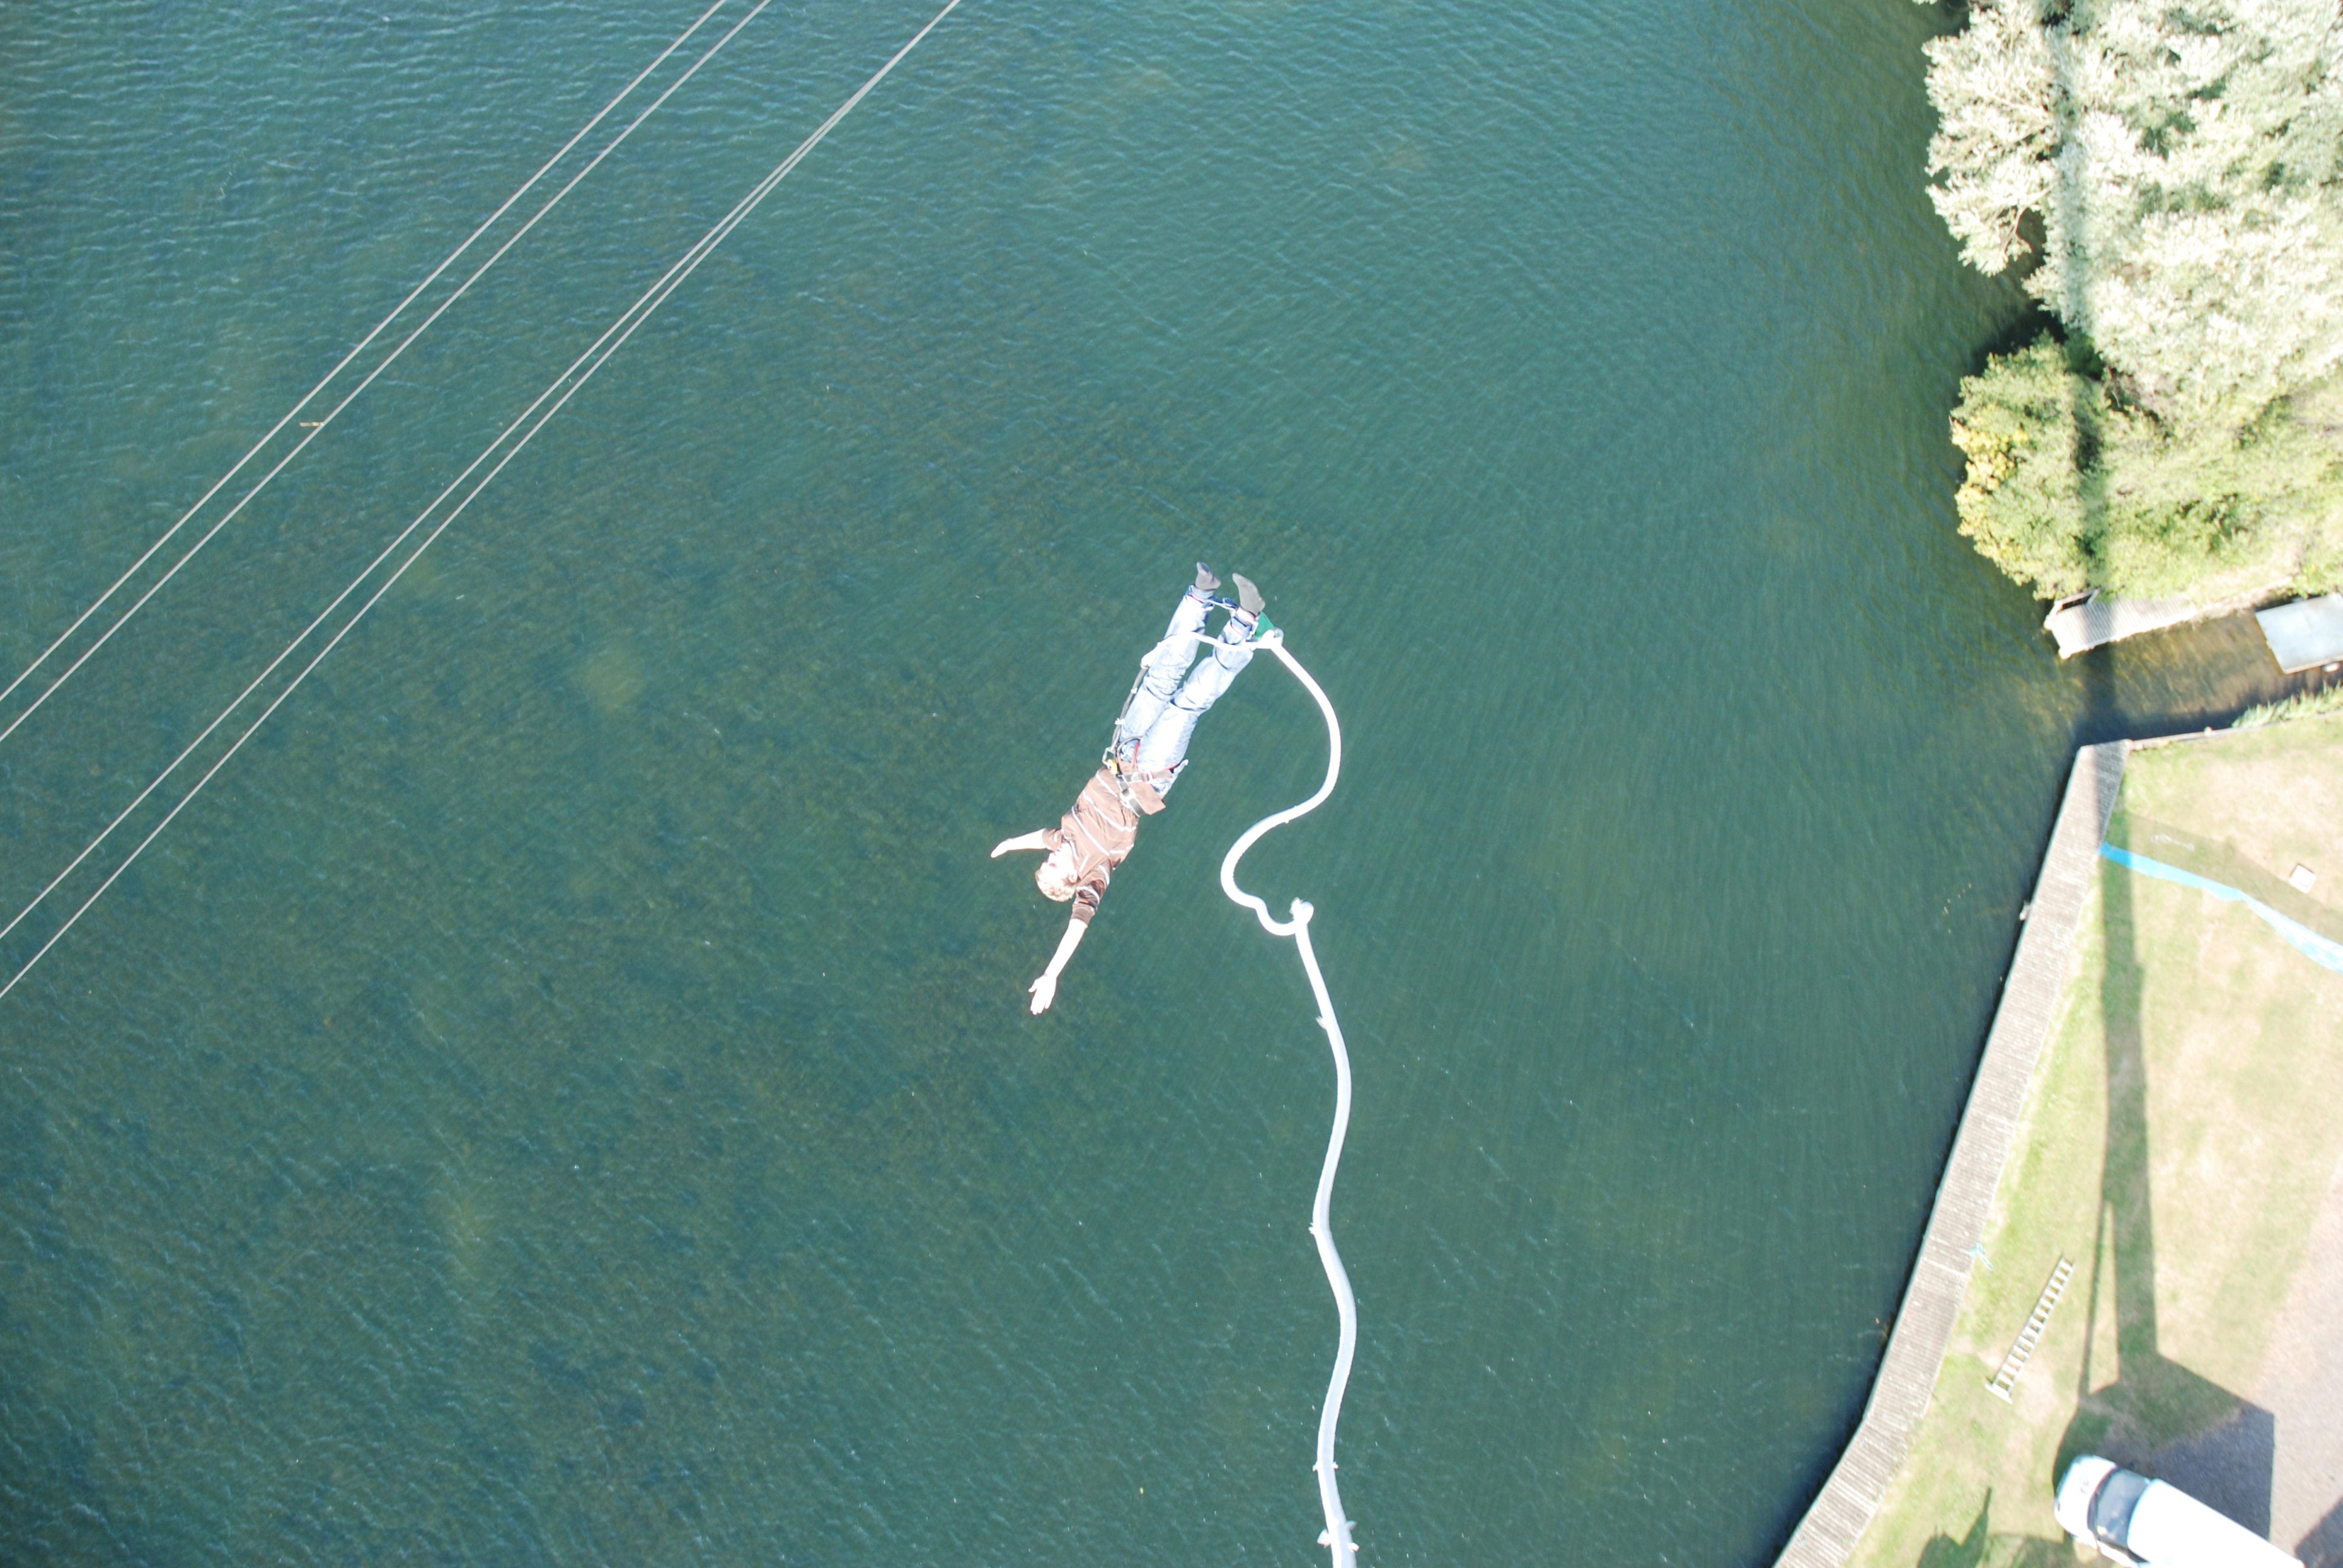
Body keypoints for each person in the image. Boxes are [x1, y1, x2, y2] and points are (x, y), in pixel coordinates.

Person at [992, 564, 1270, 1013]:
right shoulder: (1095, 875)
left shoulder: (1062, 840)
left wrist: (1009, 845)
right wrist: (1051, 973)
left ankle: (1199, 597)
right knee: (1189, 702)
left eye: (1046, 861)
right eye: (1053, 866)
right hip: (1148, 776)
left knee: (1161, 674)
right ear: (1072, 880)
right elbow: (1077, 927)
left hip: (1123, 751)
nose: (1052, 855)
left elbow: (1039, 838)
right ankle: (1245, 621)